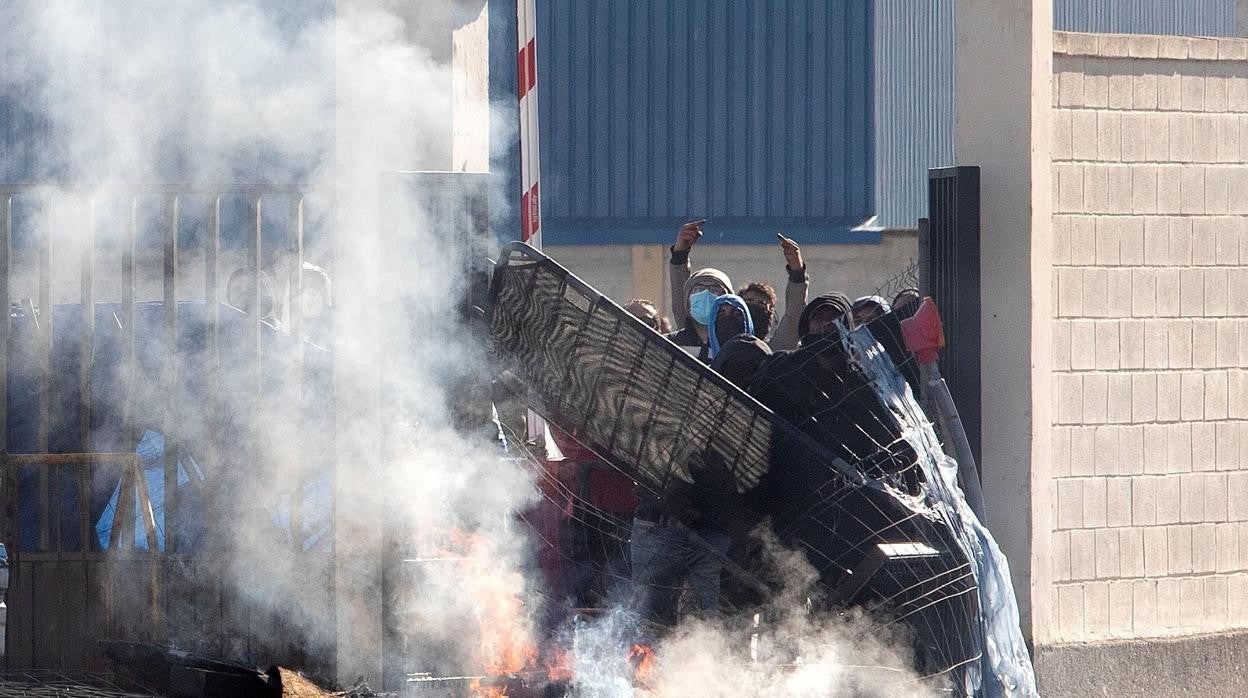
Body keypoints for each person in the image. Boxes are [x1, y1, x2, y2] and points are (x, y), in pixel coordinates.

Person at [630, 448, 740, 627]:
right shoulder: (667, 447)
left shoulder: (710, 458)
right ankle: (643, 646)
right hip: (664, 527)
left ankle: (692, 648)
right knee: (648, 609)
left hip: (706, 533)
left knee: (701, 613)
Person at [668, 221, 808, 351]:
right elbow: (682, 304)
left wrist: (797, 273)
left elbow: (793, 321)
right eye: (749, 302)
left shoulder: (763, 353)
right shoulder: (684, 341)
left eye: (761, 304)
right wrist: (680, 254)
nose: (754, 307)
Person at [664, 267, 734, 361]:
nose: (706, 293)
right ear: (687, 299)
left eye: (715, 290)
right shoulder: (669, 343)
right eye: (699, 289)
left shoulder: (733, 347)